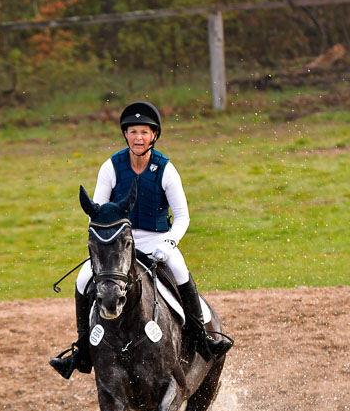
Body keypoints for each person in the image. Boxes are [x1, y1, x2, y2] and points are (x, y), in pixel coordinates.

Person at [50, 101, 231, 379]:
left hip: (156, 241)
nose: (138, 138)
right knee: (83, 278)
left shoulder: (165, 169)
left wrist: (169, 243)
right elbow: (97, 213)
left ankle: (202, 339)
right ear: (125, 134)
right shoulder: (111, 167)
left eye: (144, 132)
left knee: (180, 271)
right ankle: (82, 350)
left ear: (154, 135)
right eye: (133, 131)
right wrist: (108, 243)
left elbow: (182, 216)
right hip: (119, 243)